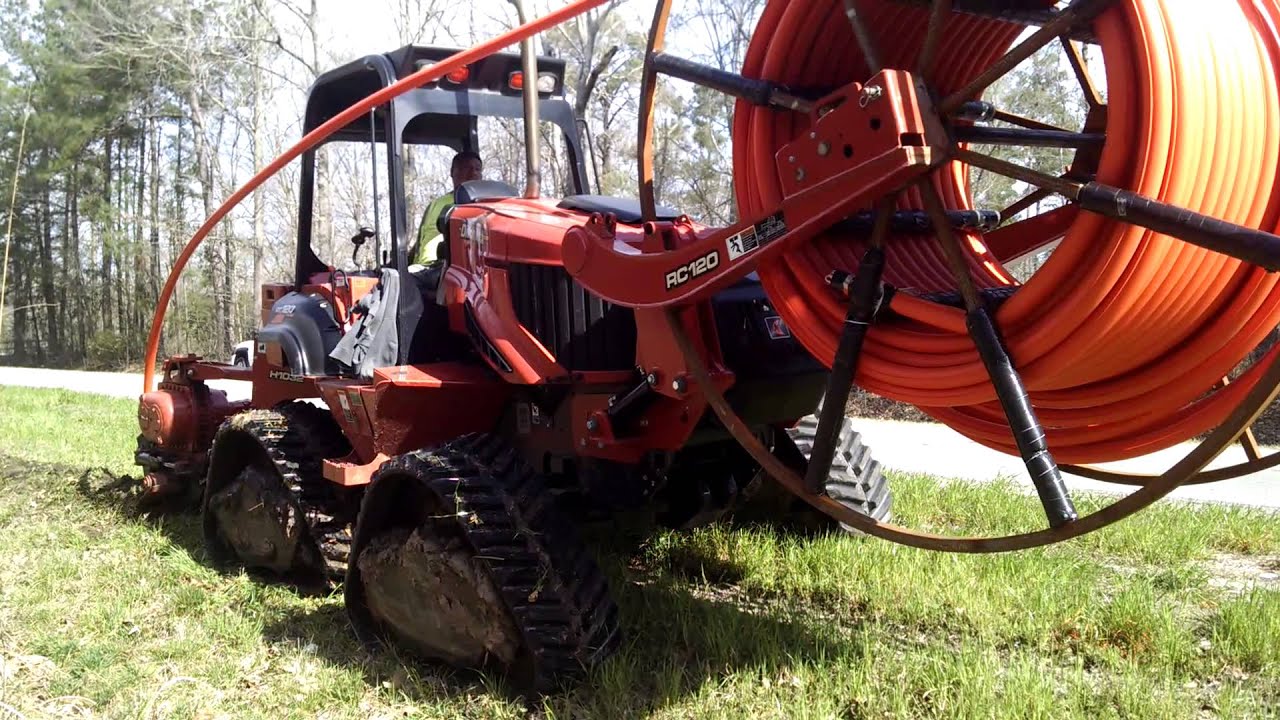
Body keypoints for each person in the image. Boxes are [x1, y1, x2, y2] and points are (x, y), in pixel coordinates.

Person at [412, 150, 483, 266]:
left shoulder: (483, 206)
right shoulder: (436, 204)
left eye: (478, 169)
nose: (473, 173)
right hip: (427, 267)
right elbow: (421, 241)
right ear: (452, 172)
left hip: (454, 267)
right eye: (466, 168)